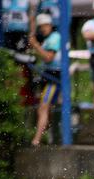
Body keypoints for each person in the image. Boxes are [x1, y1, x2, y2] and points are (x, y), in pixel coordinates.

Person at [29, 14, 61, 146]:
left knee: (43, 108)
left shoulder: (55, 37)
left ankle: (36, 139)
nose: (43, 29)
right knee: (46, 109)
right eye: (41, 26)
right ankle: (50, 137)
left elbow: (49, 57)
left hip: (53, 78)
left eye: (45, 26)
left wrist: (36, 46)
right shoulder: (46, 39)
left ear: (50, 25)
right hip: (46, 77)